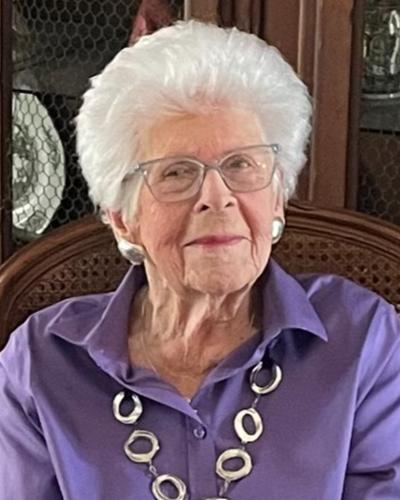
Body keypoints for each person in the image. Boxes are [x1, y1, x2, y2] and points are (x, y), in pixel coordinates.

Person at [1, 20, 399, 500]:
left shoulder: (363, 340)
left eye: (241, 165)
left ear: (276, 199)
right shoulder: (41, 363)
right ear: (122, 218)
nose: (217, 197)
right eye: (176, 173)